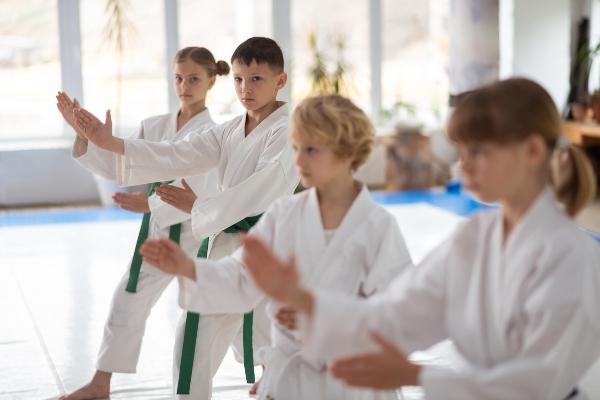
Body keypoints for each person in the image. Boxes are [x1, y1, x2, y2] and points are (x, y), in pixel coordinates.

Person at [242, 78, 600, 400]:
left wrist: (417, 373)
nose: (462, 167)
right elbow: (399, 313)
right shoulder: (475, 236)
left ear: (533, 152)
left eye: (477, 152)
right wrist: (301, 299)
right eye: (461, 152)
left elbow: (539, 382)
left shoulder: (568, 253)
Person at [139, 94, 414, 400]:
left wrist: (327, 317)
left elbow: (400, 316)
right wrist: (188, 267)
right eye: (296, 148)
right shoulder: (284, 215)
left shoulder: (377, 227)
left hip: (353, 381)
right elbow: (241, 276)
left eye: (311, 149)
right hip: (291, 383)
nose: (299, 160)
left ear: (347, 152)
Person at [72, 37, 299, 399]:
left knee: (257, 337)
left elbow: (260, 190)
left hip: (265, 250)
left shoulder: (287, 131)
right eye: (239, 79)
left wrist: (199, 206)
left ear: (280, 81)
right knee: (198, 336)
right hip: (227, 248)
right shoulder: (228, 129)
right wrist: (110, 142)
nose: (245, 88)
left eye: (256, 79)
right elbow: (177, 155)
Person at [55, 46, 227, 400]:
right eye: (178, 78)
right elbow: (119, 162)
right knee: (126, 300)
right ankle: (99, 384)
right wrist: (84, 135)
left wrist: (149, 203)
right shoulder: (156, 124)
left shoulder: (214, 131)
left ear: (211, 81)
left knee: (208, 316)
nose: (184, 85)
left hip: (197, 239)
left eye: (194, 78)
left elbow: (201, 186)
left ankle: (268, 369)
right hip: (160, 234)